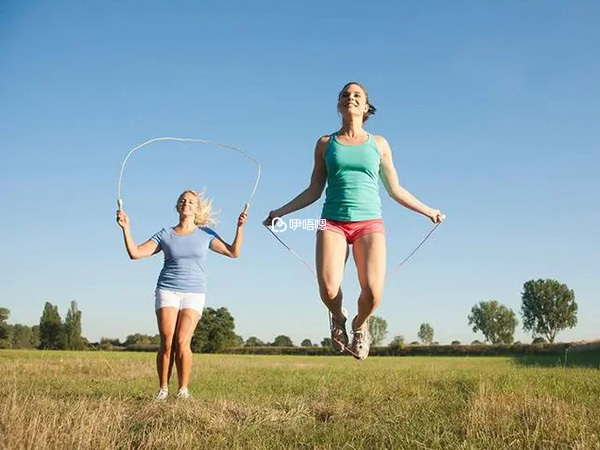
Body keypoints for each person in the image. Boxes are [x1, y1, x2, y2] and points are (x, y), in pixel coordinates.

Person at [264, 82, 444, 360]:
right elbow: (314, 190)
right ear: (339, 105)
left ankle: (360, 325)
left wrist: (428, 210)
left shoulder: (379, 144)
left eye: (357, 95)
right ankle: (338, 318)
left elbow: (395, 189)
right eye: (345, 95)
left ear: (366, 106)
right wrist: (280, 212)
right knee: (328, 288)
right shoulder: (325, 144)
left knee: (373, 292)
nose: (350, 98)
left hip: (369, 222)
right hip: (331, 221)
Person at [117, 190, 247, 399]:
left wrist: (240, 228)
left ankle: (183, 389)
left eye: (191, 202)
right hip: (167, 289)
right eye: (183, 201)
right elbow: (135, 253)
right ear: (178, 206)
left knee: (182, 341)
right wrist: (126, 228)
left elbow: (233, 252)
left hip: (194, 292)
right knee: (167, 342)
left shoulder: (206, 234)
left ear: (196, 208)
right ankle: (163, 389)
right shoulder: (165, 234)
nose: (186, 203)